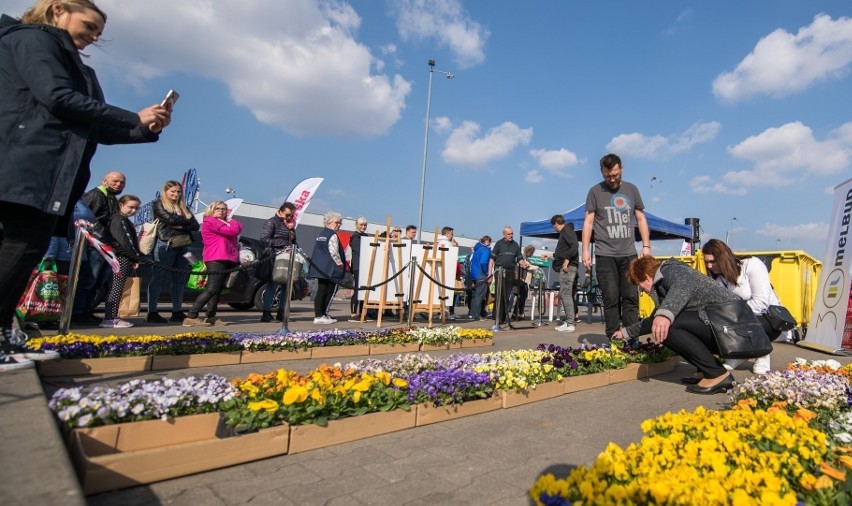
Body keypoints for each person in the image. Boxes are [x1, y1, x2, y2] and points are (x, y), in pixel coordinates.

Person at [0, 0, 170, 370]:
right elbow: (56, 97)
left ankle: (3, 331)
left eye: (99, 32)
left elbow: (95, 125)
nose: (93, 37)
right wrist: (132, 115)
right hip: (24, 161)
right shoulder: (33, 40)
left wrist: (143, 127)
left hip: (53, 173)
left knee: (26, 248)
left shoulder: (77, 66)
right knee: (18, 245)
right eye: (89, 26)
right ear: (59, 10)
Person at [613, 256, 741, 394]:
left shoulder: (671, 270)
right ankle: (705, 370)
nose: (641, 290)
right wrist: (625, 333)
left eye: (639, 284)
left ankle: (717, 375)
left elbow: (683, 283)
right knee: (664, 323)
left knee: (667, 327)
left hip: (733, 324)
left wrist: (665, 315)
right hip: (725, 323)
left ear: (647, 277)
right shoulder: (663, 285)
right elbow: (652, 321)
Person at [582, 153, 651, 339]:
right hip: (604, 255)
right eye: (607, 176)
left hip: (629, 254)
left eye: (614, 174)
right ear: (601, 172)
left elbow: (641, 219)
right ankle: (614, 339)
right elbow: (588, 223)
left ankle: (631, 338)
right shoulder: (595, 192)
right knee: (611, 298)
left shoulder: (631, 189)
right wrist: (585, 250)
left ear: (621, 168)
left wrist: (646, 246)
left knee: (630, 298)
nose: (611, 179)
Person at [701, 239, 778, 375]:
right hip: (742, 317)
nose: (709, 266)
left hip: (768, 318)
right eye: (706, 262)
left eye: (713, 261)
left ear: (724, 257)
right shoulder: (719, 280)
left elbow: (761, 302)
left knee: (731, 318)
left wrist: (732, 313)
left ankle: (763, 354)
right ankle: (740, 354)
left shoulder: (752, 264)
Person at [183, 201, 243, 327]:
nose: (221, 211)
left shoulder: (224, 223)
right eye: (218, 208)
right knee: (212, 288)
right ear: (211, 209)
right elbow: (233, 231)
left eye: (224, 209)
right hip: (216, 258)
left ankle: (211, 316)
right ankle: (191, 316)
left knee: (218, 290)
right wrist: (232, 221)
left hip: (228, 258)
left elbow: (236, 230)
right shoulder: (210, 221)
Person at [77, 170, 126, 325]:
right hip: (94, 246)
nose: (119, 184)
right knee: (88, 280)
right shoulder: (96, 195)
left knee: (97, 283)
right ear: (105, 181)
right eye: (115, 181)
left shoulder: (111, 198)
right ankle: (77, 313)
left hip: (105, 246)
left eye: (122, 182)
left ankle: (86, 311)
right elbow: (82, 218)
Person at [146, 181, 198, 323]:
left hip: (183, 245)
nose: (176, 194)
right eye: (173, 191)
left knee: (179, 280)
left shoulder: (183, 207)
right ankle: (152, 312)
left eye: (178, 191)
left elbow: (196, 225)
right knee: (158, 278)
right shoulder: (158, 204)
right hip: (165, 243)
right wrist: (184, 222)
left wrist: (179, 224)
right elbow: (168, 218)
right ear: (166, 192)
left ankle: (177, 311)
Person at [99, 195, 142, 328]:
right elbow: (124, 241)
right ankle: (110, 318)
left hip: (123, 256)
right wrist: (134, 256)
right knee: (116, 288)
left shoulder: (122, 220)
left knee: (117, 287)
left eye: (136, 208)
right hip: (120, 257)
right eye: (130, 207)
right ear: (121, 205)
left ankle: (111, 316)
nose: (133, 210)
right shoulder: (119, 220)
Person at [259, 202, 296, 322]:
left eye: (292, 215)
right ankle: (266, 313)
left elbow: (293, 241)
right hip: (275, 257)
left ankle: (281, 313)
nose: (290, 217)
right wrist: (283, 244)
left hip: (287, 257)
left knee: (286, 286)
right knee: (272, 285)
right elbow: (264, 238)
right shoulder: (272, 222)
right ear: (280, 212)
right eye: (287, 215)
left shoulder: (290, 225)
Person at [308, 211, 347, 324]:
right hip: (330, 268)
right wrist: (340, 264)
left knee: (321, 290)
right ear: (329, 222)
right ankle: (322, 314)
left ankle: (320, 314)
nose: (338, 225)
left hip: (320, 267)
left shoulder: (321, 234)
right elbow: (334, 252)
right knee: (328, 291)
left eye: (340, 223)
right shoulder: (332, 235)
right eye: (337, 223)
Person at [489, 226, 531, 325]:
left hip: (510, 272)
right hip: (499, 271)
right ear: (504, 234)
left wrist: (524, 264)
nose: (511, 235)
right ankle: (498, 317)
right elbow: (491, 260)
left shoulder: (515, 245)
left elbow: (519, 259)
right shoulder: (499, 244)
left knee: (507, 295)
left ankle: (503, 316)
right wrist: (489, 273)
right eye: (509, 234)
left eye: (512, 233)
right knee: (499, 294)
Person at [551, 214, 579, 332]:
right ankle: (569, 322)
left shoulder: (566, 231)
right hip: (567, 265)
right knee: (566, 293)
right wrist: (552, 255)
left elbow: (574, 246)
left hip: (568, 267)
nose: (554, 229)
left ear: (556, 224)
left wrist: (566, 261)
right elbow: (565, 249)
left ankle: (570, 323)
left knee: (566, 293)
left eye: (554, 227)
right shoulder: (567, 231)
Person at [458, 236, 491, 321]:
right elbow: (484, 262)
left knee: (475, 296)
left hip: (474, 275)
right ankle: (476, 314)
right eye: (489, 242)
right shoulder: (485, 250)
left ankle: (473, 313)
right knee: (480, 296)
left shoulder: (476, 250)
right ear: (487, 241)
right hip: (481, 275)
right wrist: (487, 273)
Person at [349, 216, 368, 322]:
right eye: (361, 224)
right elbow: (360, 250)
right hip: (358, 267)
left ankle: (361, 313)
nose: (363, 227)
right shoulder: (355, 237)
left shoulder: (365, 236)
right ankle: (353, 314)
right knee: (357, 290)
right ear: (356, 225)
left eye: (365, 225)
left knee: (363, 290)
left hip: (365, 267)